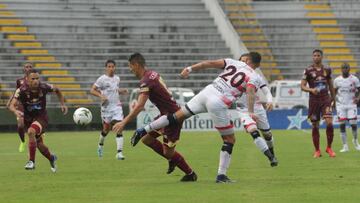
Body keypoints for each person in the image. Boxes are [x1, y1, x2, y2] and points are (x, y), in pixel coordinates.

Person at [132, 52, 277, 183]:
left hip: (206, 92)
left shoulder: (234, 62)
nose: (242, 59)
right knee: (229, 139)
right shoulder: (254, 76)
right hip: (218, 102)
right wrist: (251, 111)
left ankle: (143, 130)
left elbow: (210, 63)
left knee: (176, 116)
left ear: (247, 60)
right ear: (257, 65)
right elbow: (251, 91)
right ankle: (221, 175)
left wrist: (190, 68)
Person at [112, 53, 197, 182]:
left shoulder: (146, 81)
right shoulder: (152, 74)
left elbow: (140, 106)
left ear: (136, 65)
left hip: (173, 118)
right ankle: (173, 160)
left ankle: (190, 173)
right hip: (165, 114)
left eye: (130, 66)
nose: (130, 70)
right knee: (146, 139)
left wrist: (123, 122)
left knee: (168, 153)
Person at [8, 69, 68, 172]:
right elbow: (11, 105)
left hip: (41, 118)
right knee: (39, 144)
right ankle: (51, 158)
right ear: (27, 79)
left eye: (37, 78)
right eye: (33, 79)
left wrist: (62, 104)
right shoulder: (21, 90)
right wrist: (15, 111)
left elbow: (57, 90)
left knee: (31, 132)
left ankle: (31, 161)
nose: (36, 81)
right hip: (28, 119)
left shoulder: (44, 87)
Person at [237, 53, 276, 158]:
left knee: (267, 134)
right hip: (243, 109)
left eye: (246, 61)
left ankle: (271, 151)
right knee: (253, 131)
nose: (244, 63)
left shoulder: (256, 76)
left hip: (257, 108)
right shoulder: (233, 76)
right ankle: (270, 157)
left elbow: (266, 91)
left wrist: (269, 101)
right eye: (242, 61)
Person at [301, 49, 336, 158]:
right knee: (315, 125)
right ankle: (317, 150)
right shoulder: (308, 70)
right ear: (312, 57)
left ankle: (329, 148)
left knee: (329, 123)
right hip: (314, 101)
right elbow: (302, 86)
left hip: (325, 99)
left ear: (322, 57)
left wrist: (334, 99)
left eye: (318, 55)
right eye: (314, 55)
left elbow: (331, 85)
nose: (316, 57)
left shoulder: (327, 70)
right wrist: (311, 90)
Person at [90, 60, 128, 160]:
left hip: (117, 106)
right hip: (106, 108)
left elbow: (114, 90)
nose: (111, 68)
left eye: (113, 66)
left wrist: (121, 91)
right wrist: (100, 95)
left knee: (119, 126)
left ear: (115, 67)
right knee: (106, 130)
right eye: (109, 66)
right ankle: (100, 145)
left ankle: (119, 153)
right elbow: (92, 90)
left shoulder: (117, 79)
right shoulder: (102, 79)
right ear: (106, 68)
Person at [6, 62, 33, 152]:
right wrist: (10, 101)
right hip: (21, 106)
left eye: (30, 67)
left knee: (32, 129)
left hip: (33, 106)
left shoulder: (35, 80)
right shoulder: (20, 81)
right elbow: (16, 92)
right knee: (21, 125)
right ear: (24, 69)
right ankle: (23, 141)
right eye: (26, 67)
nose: (28, 68)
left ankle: (34, 144)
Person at [333, 62, 360, 152]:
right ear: (341, 69)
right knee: (342, 126)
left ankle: (355, 141)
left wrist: (358, 98)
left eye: (346, 67)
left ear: (349, 69)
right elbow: (334, 92)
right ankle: (345, 146)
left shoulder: (354, 79)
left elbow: (359, 90)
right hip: (341, 105)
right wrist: (332, 102)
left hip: (351, 104)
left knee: (353, 124)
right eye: (343, 68)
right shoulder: (337, 80)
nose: (345, 69)